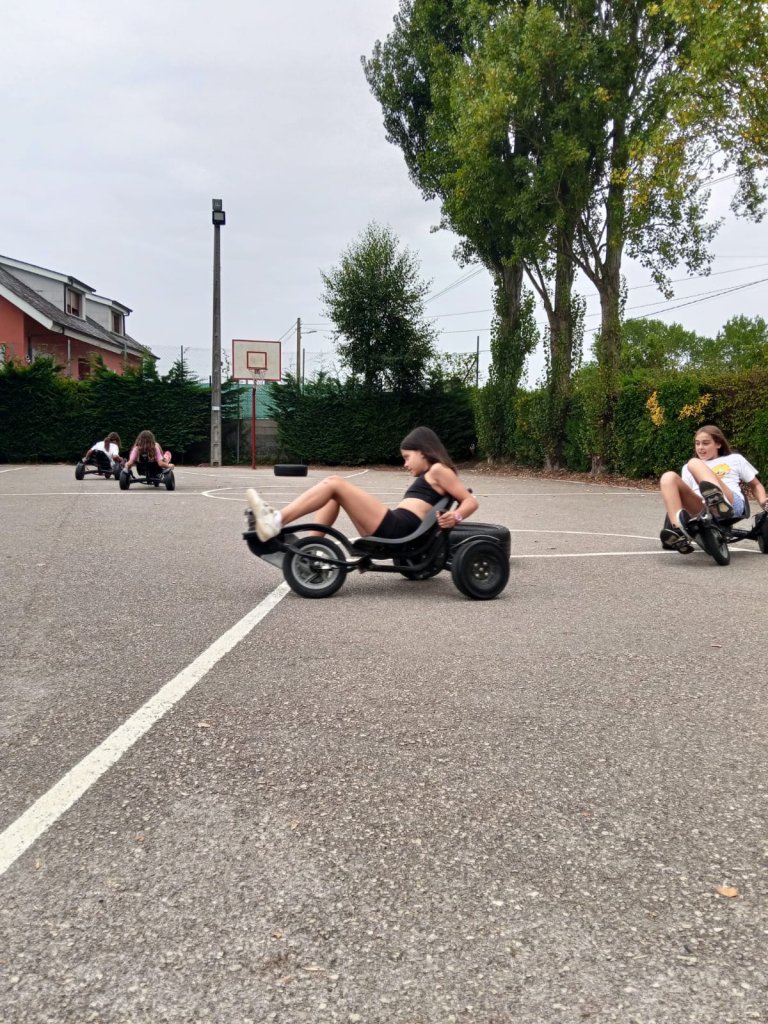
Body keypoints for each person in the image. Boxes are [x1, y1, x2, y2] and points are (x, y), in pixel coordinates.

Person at [246, 426, 479, 542]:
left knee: (335, 483)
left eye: (407, 457)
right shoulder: (431, 473)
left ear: (423, 451)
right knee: (333, 495)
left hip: (400, 529)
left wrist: (456, 517)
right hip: (396, 526)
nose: (405, 464)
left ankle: (276, 521)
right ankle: (311, 546)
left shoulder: (438, 470)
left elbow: (470, 501)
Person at [659, 424, 768, 553]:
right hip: (701, 508)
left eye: (705, 443)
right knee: (668, 477)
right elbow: (685, 495)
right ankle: (677, 530)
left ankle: (718, 500)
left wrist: (763, 501)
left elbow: (755, 485)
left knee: (694, 463)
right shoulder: (686, 469)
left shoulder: (735, 459)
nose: (700, 447)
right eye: (697, 443)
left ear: (718, 444)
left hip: (730, 503)